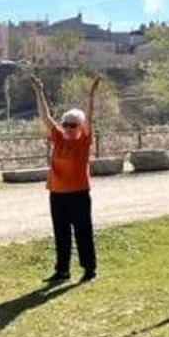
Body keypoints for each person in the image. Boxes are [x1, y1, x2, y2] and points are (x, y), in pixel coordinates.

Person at [30, 73, 100, 284]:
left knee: (83, 231)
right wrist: (39, 91)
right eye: (66, 124)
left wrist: (90, 97)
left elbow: (90, 116)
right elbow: (45, 117)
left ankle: (89, 269)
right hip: (57, 192)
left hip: (78, 192)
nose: (68, 128)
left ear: (80, 126)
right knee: (61, 233)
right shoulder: (58, 137)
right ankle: (62, 271)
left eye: (73, 125)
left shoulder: (84, 141)